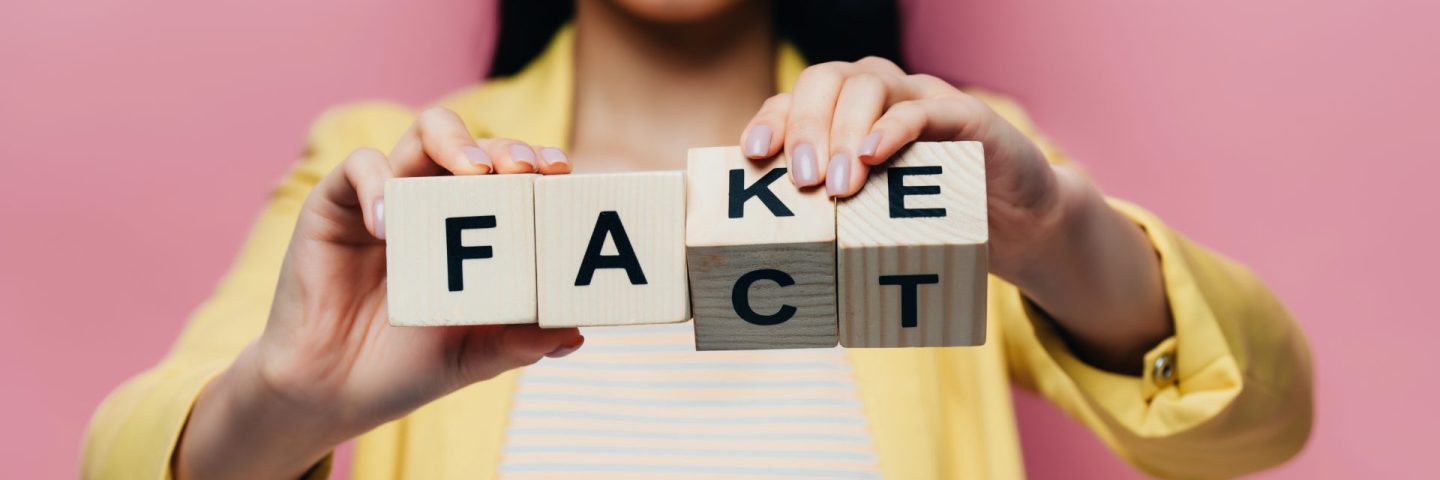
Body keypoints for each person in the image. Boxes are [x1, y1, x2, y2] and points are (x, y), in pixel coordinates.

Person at [82, 0, 1313, 478]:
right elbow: (134, 455)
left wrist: (1056, 233)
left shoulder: (943, 168)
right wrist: (289, 400)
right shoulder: (390, 164)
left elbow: (1260, 421)